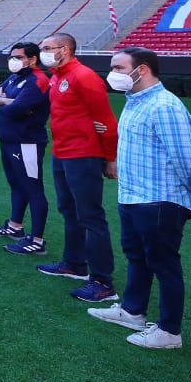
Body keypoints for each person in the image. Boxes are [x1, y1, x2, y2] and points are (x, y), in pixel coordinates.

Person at [88, 47, 191, 349]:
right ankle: (132, 311)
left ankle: (169, 331)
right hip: (133, 196)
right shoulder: (135, 101)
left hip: (159, 199)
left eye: (118, 67)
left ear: (141, 70)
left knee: (164, 263)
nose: (112, 73)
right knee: (136, 257)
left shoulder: (164, 105)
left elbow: (187, 157)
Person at [36, 32, 120, 303]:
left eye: (48, 48)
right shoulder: (57, 76)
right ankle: (74, 264)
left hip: (84, 155)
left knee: (90, 216)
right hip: (62, 153)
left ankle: (103, 281)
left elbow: (106, 120)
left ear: (66, 49)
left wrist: (109, 158)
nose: (43, 52)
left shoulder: (84, 76)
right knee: (69, 210)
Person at [0, 42, 51, 254]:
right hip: (9, 139)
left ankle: (37, 240)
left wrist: (2, 100)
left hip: (27, 142)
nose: (14, 60)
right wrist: (6, 100)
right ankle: (15, 226)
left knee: (33, 189)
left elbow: (18, 109)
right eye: (12, 56)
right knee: (17, 184)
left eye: (19, 57)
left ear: (32, 59)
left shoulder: (37, 80)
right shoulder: (15, 77)